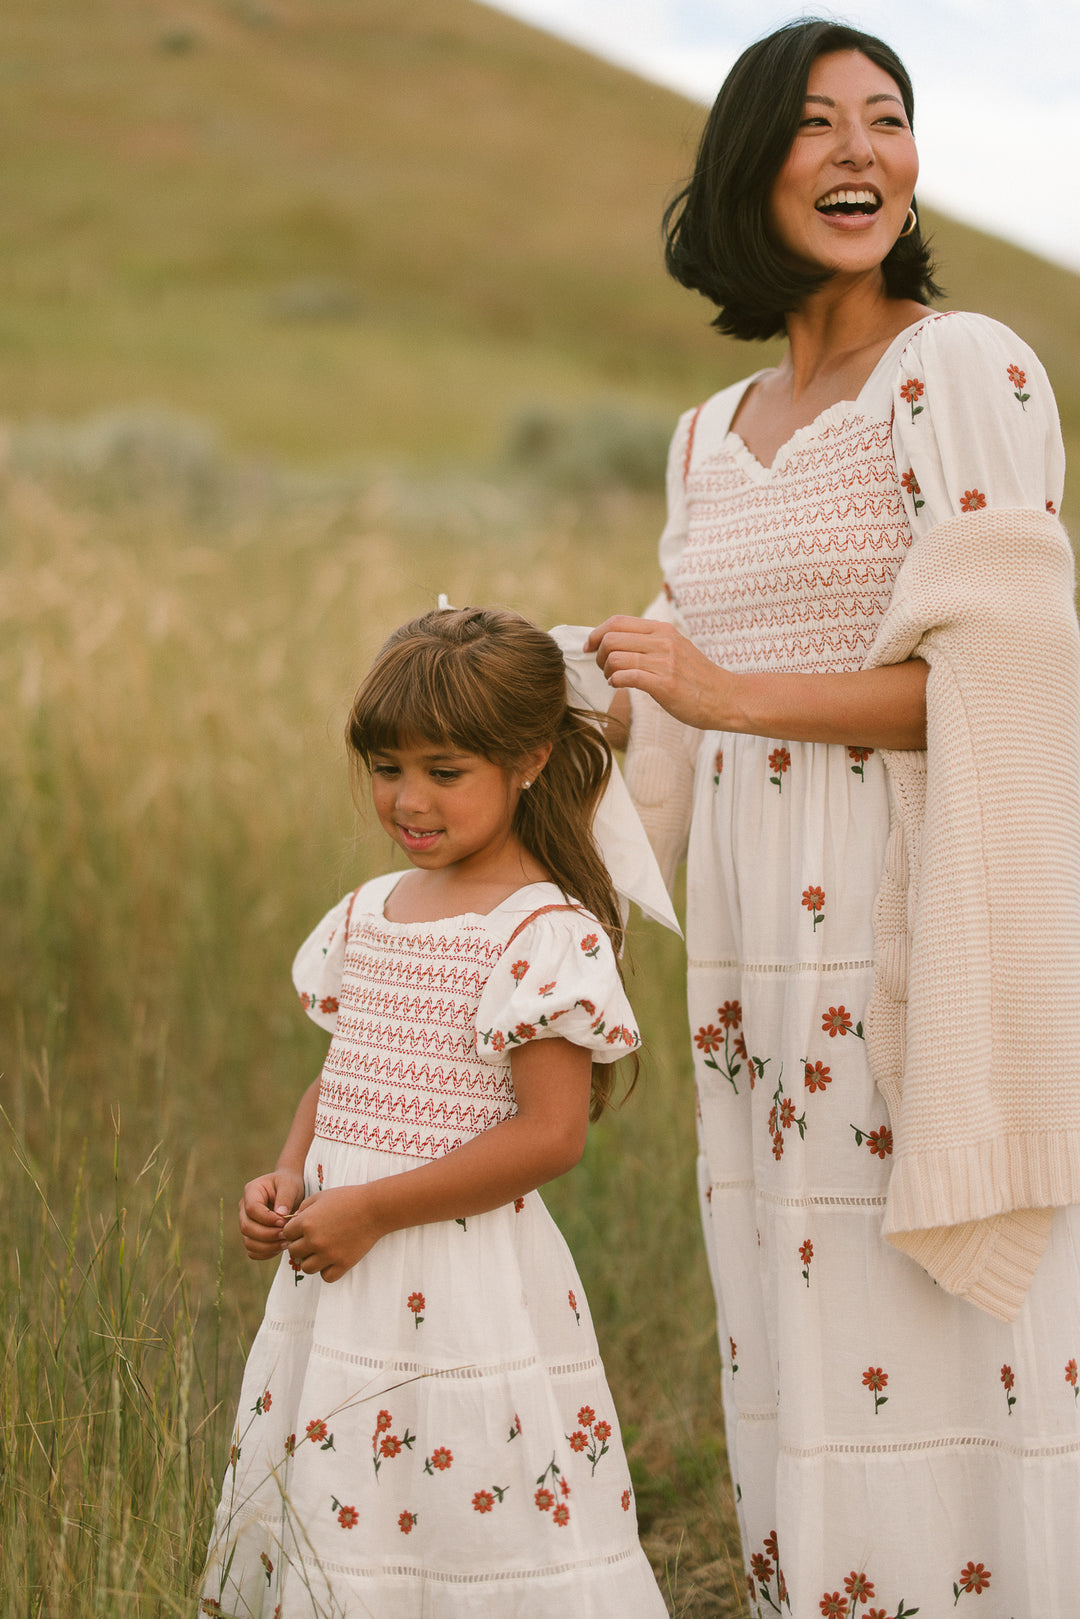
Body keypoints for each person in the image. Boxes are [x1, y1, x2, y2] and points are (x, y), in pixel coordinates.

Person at [587, 19, 1080, 1618]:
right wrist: (583, 695)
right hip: (747, 952)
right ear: (749, 161)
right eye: (818, 123)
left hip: (900, 916)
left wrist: (734, 695)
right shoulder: (703, 433)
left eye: (892, 118)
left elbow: (1013, 681)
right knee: (793, 1316)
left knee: (934, 1317)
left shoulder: (963, 366)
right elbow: (685, 690)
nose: (864, 149)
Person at [199, 606, 669, 1618]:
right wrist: (291, 1172)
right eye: (385, 766)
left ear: (529, 758)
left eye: (444, 771)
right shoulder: (373, 909)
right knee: (348, 1484)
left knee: (462, 1489)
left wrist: (376, 1208)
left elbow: (551, 1133)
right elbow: (347, 1074)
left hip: (459, 1276)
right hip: (341, 1262)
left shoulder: (541, 930)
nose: (407, 799)